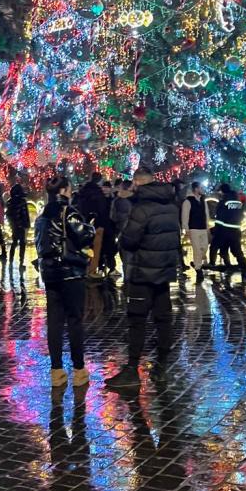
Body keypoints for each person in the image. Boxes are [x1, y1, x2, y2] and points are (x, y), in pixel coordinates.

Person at [106, 164, 181, 390]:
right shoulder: (170, 205)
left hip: (142, 272)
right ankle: (162, 366)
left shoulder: (142, 208)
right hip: (164, 272)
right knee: (163, 318)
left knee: (137, 320)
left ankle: (131, 369)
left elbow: (129, 240)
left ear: (137, 182)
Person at [34, 176, 94, 387]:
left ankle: (56, 370)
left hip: (50, 273)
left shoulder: (41, 217)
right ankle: (79, 370)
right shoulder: (69, 212)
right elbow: (84, 234)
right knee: (75, 321)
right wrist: (91, 228)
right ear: (64, 191)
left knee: (55, 323)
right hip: (71, 272)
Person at [209, 182, 246, 276]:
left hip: (224, 230)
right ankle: (244, 266)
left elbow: (220, 218)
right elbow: (241, 215)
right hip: (236, 230)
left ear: (222, 192)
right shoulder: (238, 202)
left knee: (220, 248)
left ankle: (222, 265)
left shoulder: (223, 202)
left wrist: (216, 229)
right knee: (237, 250)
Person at [75, 171, 109, 278]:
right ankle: (92, 271)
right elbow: (102, 209)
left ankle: (84, 268)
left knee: (85, 247)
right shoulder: (98, 192)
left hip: (84, 223)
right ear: (99, 180)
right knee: (96, 247)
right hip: (97, 223)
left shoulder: (83, 191)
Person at [181, 181, 209, 282]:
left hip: (202, 228)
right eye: (201, 187)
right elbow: (185, 215)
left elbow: (206, 214)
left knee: (204, 247)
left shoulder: (203, 200)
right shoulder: (188, 201)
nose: (203, 189)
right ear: (196, 189)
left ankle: (196, 263)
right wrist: (186, 228)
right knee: (197, 249)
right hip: (193, 228)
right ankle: (198, 268)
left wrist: (207, 226)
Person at [6, 182, 30, 270]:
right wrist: (26, 225)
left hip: (14, 226)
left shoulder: (10, 202)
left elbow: (8, 214)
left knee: (14, 242)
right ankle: (21, 262)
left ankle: (11, 261)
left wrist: (12, 223)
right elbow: (25, 214)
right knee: (22, 243)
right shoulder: (22, 201)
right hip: (21, 226)